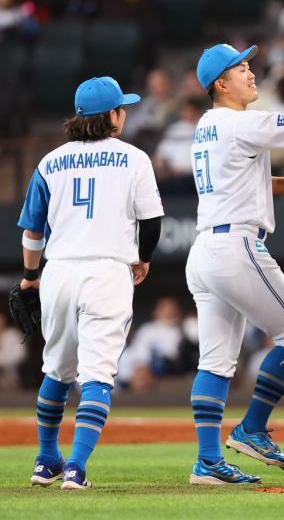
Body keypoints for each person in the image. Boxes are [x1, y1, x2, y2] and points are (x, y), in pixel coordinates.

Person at [185, 42, 284, 485]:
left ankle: (207, 462)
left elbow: (251, 180)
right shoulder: (236, 122)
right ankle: (253, 428)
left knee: (216, 362)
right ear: (220, 84)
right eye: (240, 68)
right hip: (236, 246)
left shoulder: (208, 126)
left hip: (205, 248)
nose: (251, 72)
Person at [18, 76, 164, 489]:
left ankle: (46, 460)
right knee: (96, 374)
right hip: (107, 270)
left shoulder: (50, 161)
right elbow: (151, 222)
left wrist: (31, 276)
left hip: (59, 270)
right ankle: (77, 468)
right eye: (123, 108)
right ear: (113, 116)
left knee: (57, 369)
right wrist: (144, 259)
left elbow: (32, 233)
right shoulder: (134, 158)